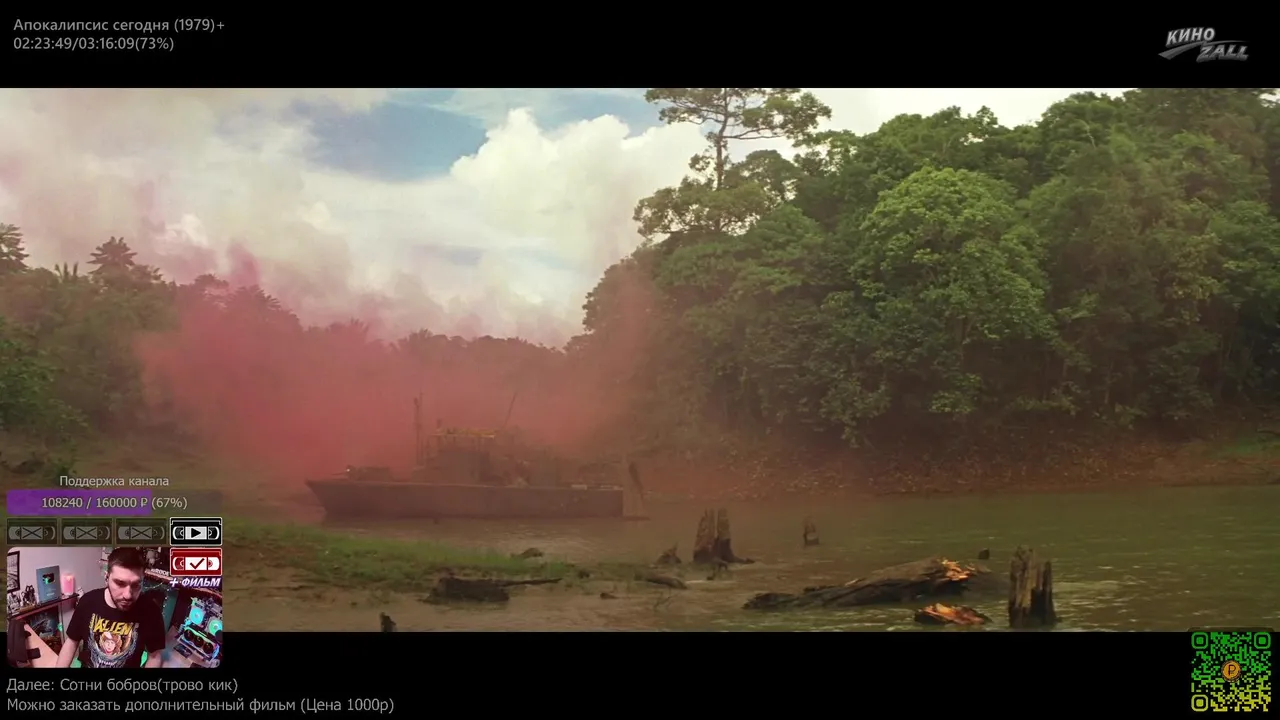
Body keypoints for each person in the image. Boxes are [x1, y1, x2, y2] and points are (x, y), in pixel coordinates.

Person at [56, 548, 165, 668]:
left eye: (136, 585)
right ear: (106, 578)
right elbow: (71, 642)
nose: (128, 595)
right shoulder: (88, 602)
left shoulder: (151, 611)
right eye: (120, 583)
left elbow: (155, 656)